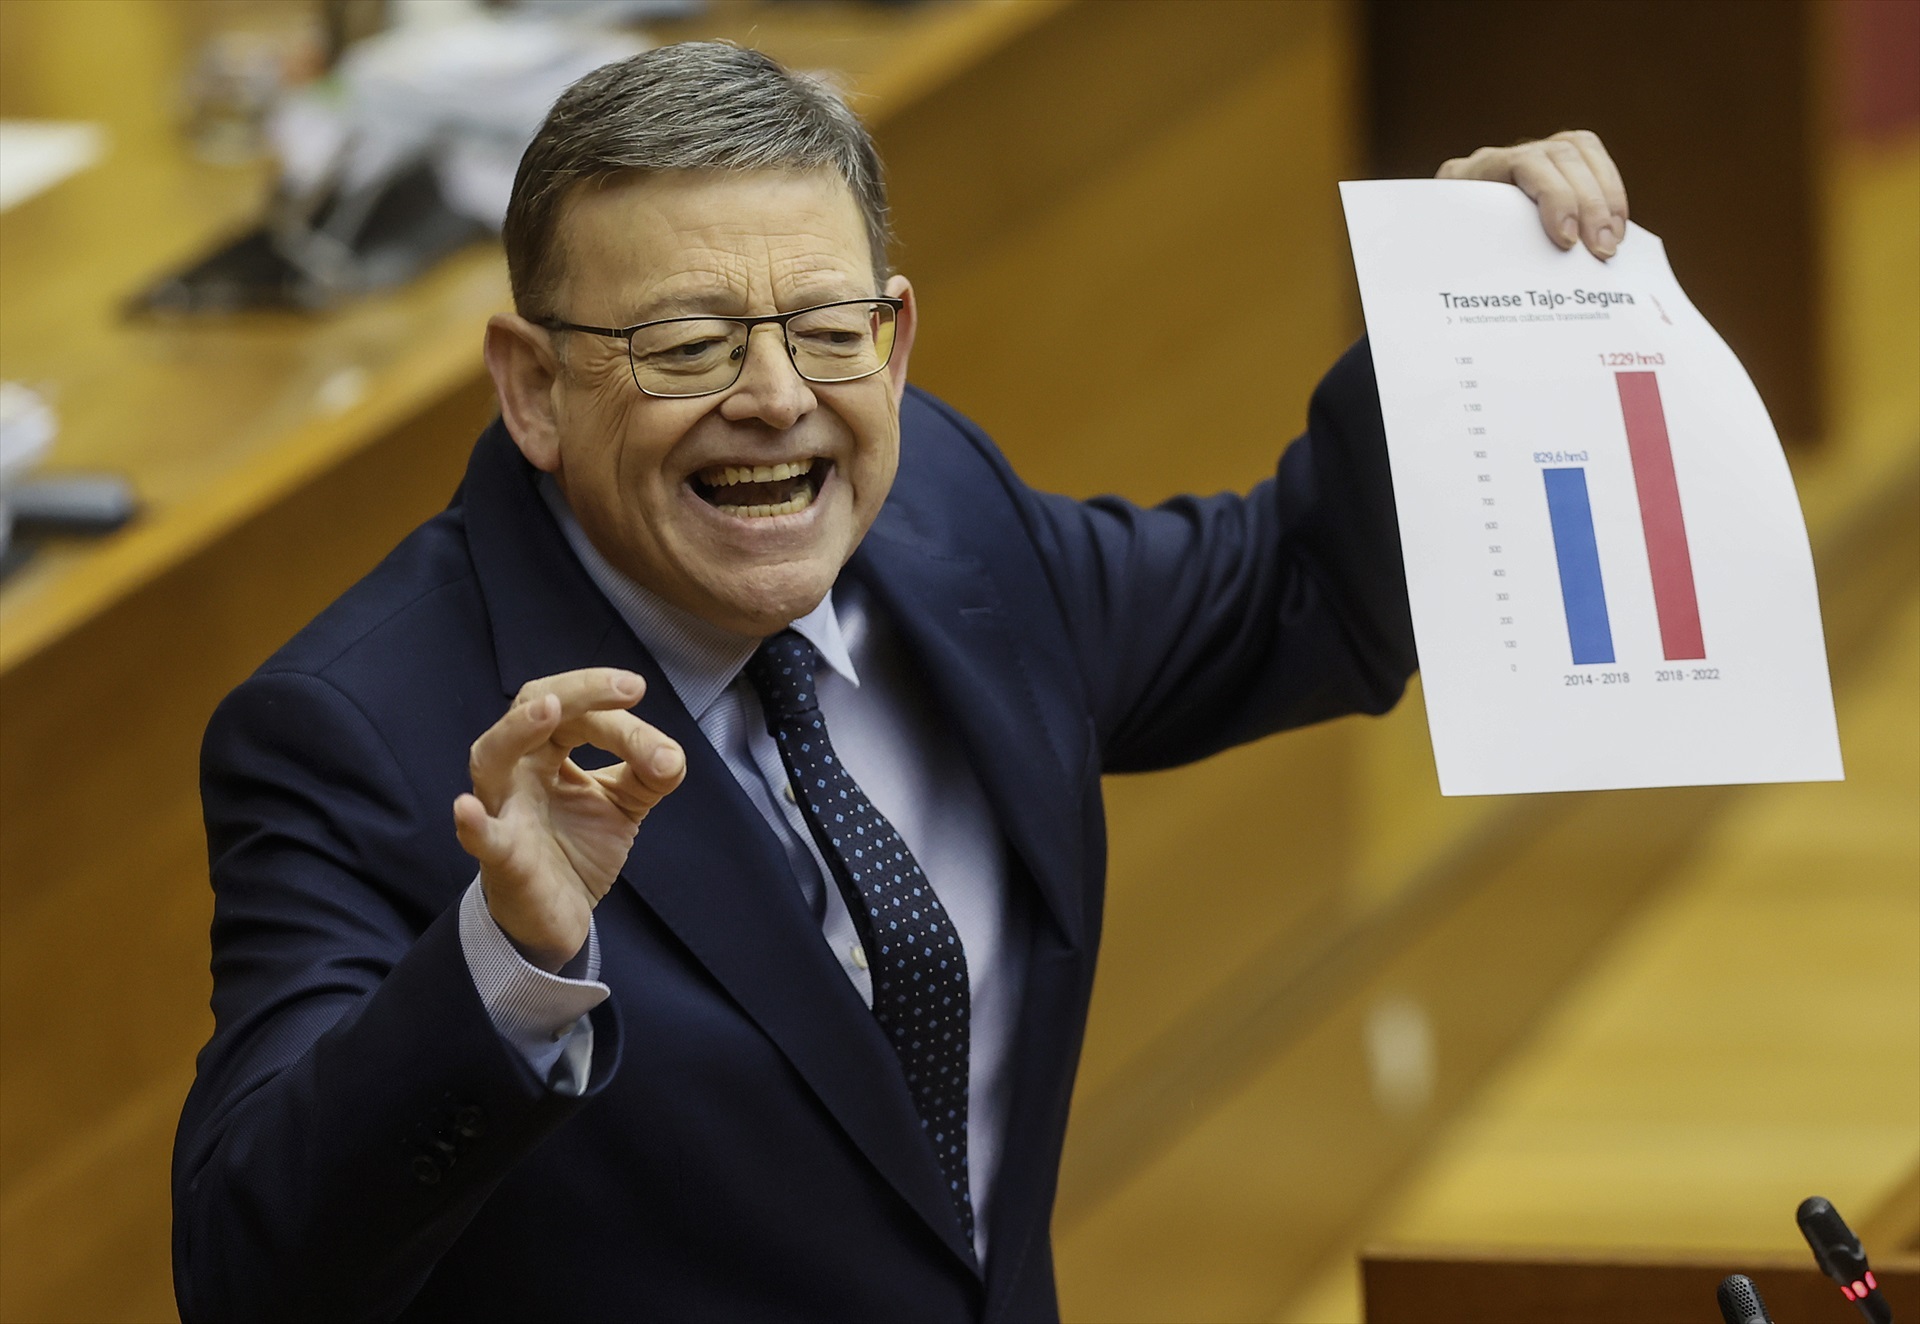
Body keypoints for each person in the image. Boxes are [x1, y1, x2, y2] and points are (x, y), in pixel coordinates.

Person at [171, 41, 1630, 1324]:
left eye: (826, 332)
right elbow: (254, 1275)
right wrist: (505, 963)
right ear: (534, 387)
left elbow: (1301, 601)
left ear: (899, 338)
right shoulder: (355, 735)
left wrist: (1460, 306)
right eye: (688, 345)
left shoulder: (951, 518)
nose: (777, 396)